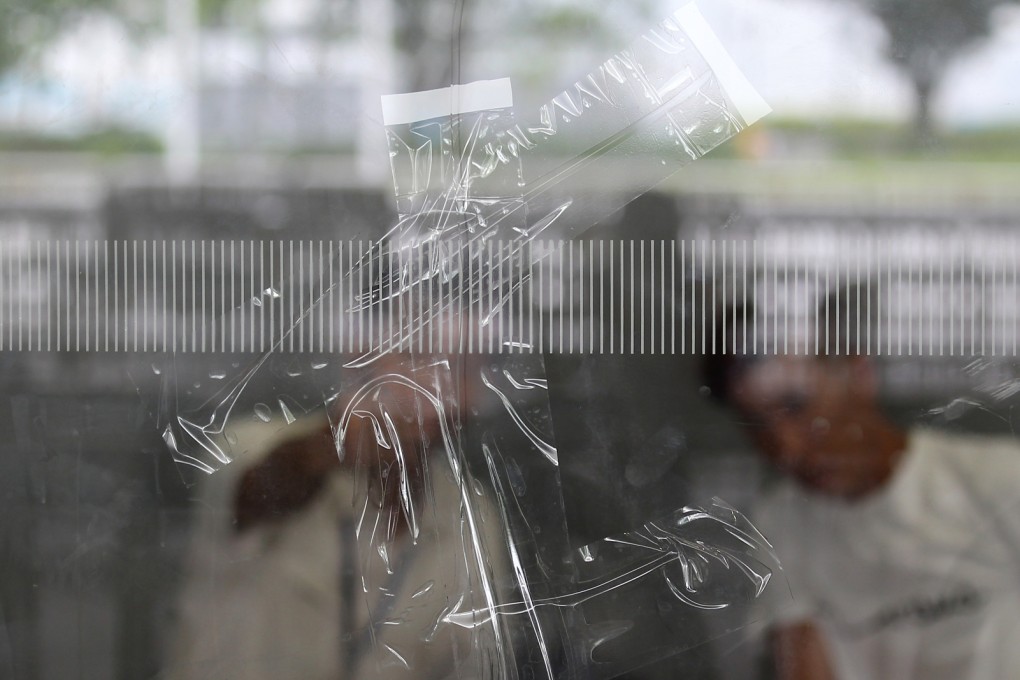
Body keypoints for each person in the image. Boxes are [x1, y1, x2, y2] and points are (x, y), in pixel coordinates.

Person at [702, 294, 1020, 680]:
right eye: (758, 426)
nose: (786, 447)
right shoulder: (782, 523)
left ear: (859, 373)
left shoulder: (1001, 479)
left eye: (796, 404)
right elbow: (803, 664)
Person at [162, 355, 515, 680]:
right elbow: (253, 494)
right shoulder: (248, 445)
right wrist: (343, 439)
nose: (428, 384)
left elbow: (479, 661)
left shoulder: (470, 512)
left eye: (457, 369)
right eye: (414, 359)